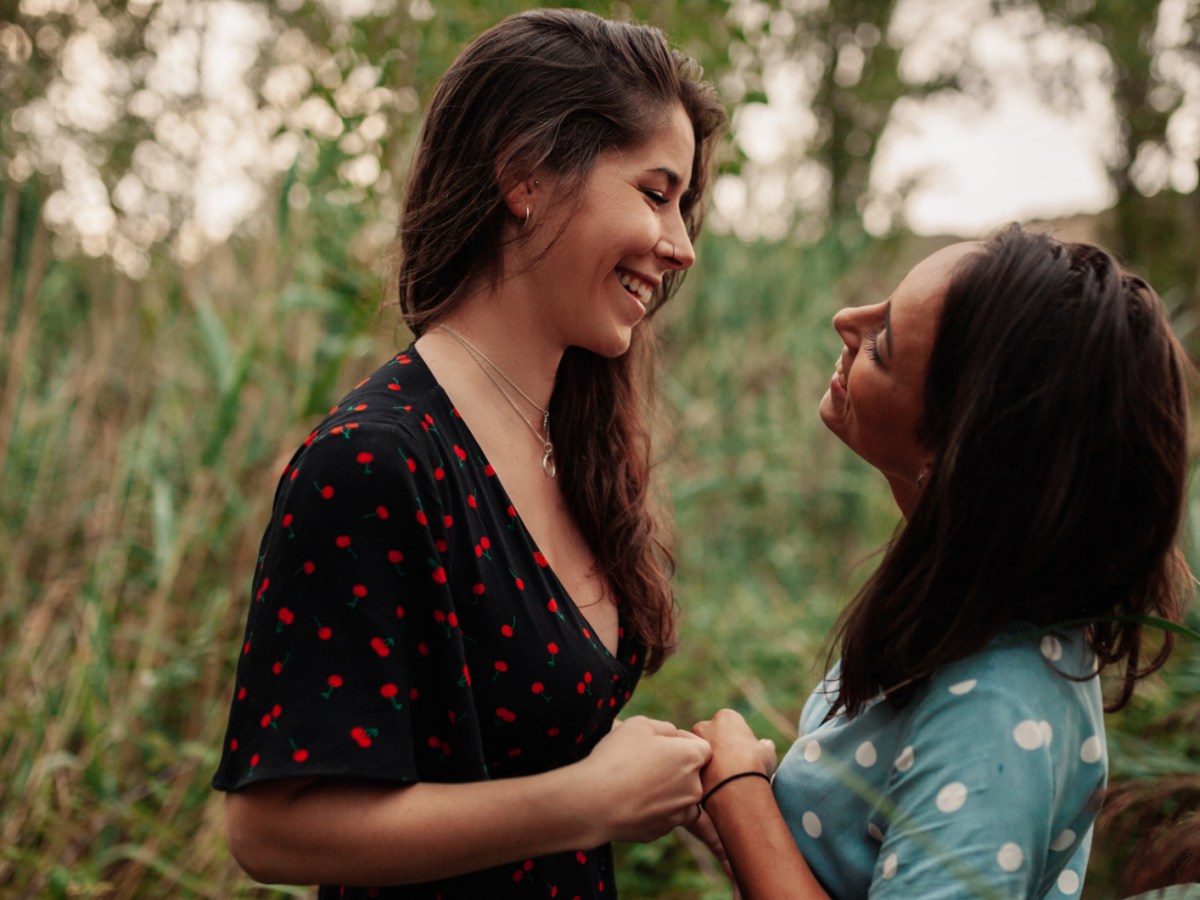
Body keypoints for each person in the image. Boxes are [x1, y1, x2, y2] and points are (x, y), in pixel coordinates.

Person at [211, 9, 727, 898]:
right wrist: (587, 800)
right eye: (654, 192)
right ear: (525, 176)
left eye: (683, 205)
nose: (679, 245)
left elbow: (514, 740)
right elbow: (272, 827)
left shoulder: (571, 437)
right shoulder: (377, 462)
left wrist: (675, 779)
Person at [693, 225, 1193, 898]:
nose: (847, 321)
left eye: (884, 344)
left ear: (954, 454)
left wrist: (741, 794)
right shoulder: (959, 617)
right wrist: (737, 812)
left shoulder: (992, 708)